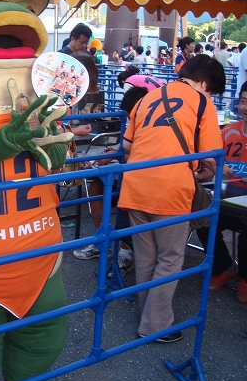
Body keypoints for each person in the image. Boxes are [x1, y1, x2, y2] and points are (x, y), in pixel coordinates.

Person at [118, 55, 226, 342]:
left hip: (135, 185)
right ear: (206, 84)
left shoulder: (147, 98)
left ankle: (149, 319)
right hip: (171, 189)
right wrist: (224, 170)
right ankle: (155, 326)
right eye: (212, 92)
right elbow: (213, 157)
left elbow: (127, 146)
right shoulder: (202, 102)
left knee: (146, 257)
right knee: (170, 259)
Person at [73, 87, 149, 274]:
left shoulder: (152, 125)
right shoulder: (136, 123)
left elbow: (144, 154)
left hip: (144, 180)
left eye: (131, 116)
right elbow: (129, 148)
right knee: (96, 186)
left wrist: (115, 155)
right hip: (128, 173)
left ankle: (125, 253)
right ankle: (102, 242)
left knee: (124, 194)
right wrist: (115, 152)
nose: (130, 120)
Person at [197, 81, 247, 303]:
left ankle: (245, 278)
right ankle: (224, 266)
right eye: (244, 101)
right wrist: (199, 176)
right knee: (202, 218)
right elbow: (214, 166)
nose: (246, 107)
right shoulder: (227, 132)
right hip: (229, 200)